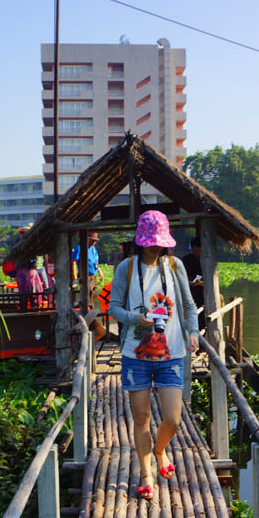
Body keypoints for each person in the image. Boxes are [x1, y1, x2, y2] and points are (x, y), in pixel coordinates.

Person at [109, 211, 199, 499]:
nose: (155, 246)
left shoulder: (175, 265)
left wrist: (193, 332)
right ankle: (147, 473)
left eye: (159, 242)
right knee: (142, 417)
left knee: (173, 419)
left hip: (171, 353)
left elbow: (188, 303)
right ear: (140, 240)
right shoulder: (126, 266)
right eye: (150, 241)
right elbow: (114, 308)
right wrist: (137, 320)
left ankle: (160, 450)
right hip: (135, 355)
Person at [71, 231, 104, 309]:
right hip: (85, 275)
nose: (93, 242)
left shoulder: (93, 248)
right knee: (87, 294)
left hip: (93, 275)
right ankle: (86, 311)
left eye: (95, 241)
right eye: (92, 240)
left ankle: (89, 308)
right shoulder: (80, 247)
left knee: (93, 292)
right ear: (87, 239)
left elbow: (95, 261)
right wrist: (75, 277)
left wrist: (100, 272)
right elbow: (74, 262)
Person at [181, 236, 205, 330]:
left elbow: (211, 278)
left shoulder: (206, 260)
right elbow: (182, 275)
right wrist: (189, 282)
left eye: (199, 251)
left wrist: (201, 282)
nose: (197, 253)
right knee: (190, 317)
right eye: (195, 251)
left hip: (203, 294)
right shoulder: (186, 259)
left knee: (202, 319)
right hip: (189, 294)